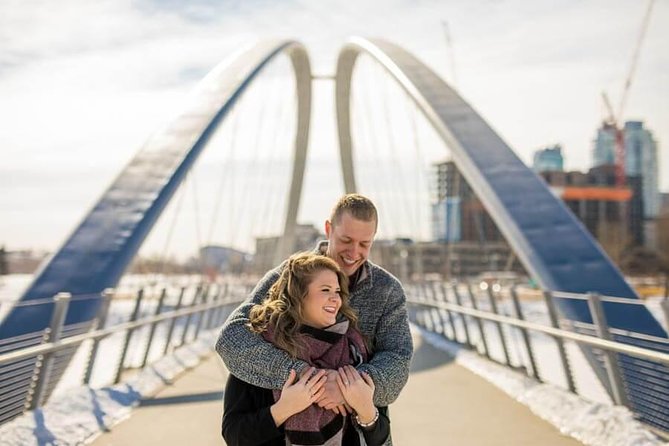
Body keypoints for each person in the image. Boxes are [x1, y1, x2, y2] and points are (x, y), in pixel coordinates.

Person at [217, 194, 413, 444]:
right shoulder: (290, 277)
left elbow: (397, 360)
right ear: (329, 229)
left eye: (365, 244)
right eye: (346, 240)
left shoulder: (387, 290)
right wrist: (308, 379)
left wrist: (345, 387)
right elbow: (232, 338)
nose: (355, 252)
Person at [221, 252, 390, 446]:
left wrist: (367, 410)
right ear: (298, 296)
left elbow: (381, 438)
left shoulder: (354, 350)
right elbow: (233, 434)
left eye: (337, 291)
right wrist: (284, 409)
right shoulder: (261, 349)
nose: (336, 299)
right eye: (325, 290)